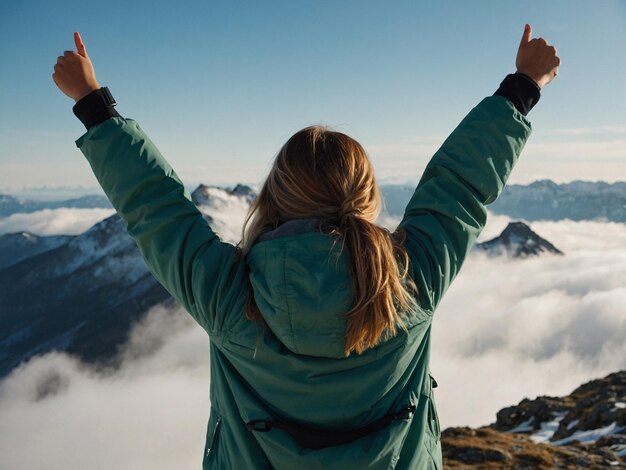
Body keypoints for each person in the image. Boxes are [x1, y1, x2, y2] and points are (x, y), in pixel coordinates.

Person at [53, 25, 559, 469]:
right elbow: (459, 187)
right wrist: (522, 86)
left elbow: (156, 209)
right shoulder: (410, 283)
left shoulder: (230, 298)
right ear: (367, 197)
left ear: (274, 195)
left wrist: (94, 103)